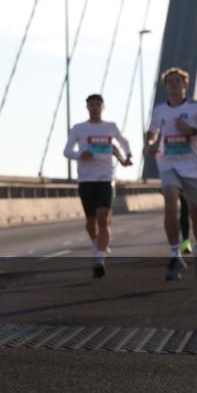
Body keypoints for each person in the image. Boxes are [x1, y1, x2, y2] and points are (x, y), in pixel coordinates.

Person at [145, 67, 197, 281]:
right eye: (170, 82)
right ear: (166, 87)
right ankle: (175, 256)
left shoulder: (196, 108)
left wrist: (191, 130)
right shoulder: (160, 110)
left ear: (185, 85)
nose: (174, 85)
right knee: (170, 203)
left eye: (178, 82)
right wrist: (149, 144)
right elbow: (151, 134)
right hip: (168, 165)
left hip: (193, 168)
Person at [63, 94, 133, 278]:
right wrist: (80, 155)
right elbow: (67, 151)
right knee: (90, 221)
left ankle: (100, 259)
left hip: (105, 178)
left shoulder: (110, 127)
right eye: (91, 105)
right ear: (87, 107)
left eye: (97, 105)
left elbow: (122, 142)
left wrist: (128, 156)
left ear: (103, 107)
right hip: (86, 179)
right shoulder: (79, 128)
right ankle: (95, 243)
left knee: (103, 218)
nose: (94, 107)